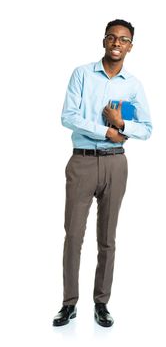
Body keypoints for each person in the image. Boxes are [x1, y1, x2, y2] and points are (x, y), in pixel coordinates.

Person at [53, 19, 152, 328]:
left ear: (130, 46)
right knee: (74, 235)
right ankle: (69, 303)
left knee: (107, 238)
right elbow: (68, 117)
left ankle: (102, 303)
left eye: (123, 39)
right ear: (104, 41)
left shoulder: (133, 85)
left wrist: (122, 126)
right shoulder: (82, 74)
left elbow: (147, 129)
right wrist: (106, 130)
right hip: (82, 162)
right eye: (112, 37)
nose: (117, 43)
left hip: (116, 164)